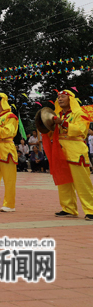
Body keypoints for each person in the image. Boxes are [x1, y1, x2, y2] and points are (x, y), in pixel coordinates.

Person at [46, 90, 93, 220]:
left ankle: (91, 209)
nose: (59, 99)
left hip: (76, 151)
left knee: (82, 182)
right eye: (58, 97)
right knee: (63, 181)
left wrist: (62, 122)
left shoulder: (79, 113)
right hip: (60, 151)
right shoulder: (56, 115)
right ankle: (68, 208)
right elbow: (51, 133)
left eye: (63, 97)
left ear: (70, 99)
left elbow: (81, 130)